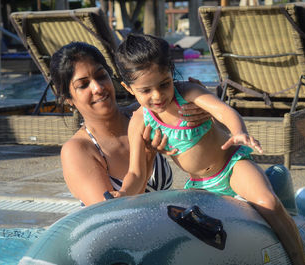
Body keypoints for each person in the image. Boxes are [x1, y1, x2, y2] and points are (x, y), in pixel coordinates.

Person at [112, 34, 305, 265]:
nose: (157, 96)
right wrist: (123, 196)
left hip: (231, 166)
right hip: (200, 185)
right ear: (128, 88)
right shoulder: (139, 121)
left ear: (172, 73)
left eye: (164, 84)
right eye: (146, 90)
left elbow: (224, 112)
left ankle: (300, 260)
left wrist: (238, 132)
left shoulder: (188, 93)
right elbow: (135, 173)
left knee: (269, 203)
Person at [49, 41, 209, 206]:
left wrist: (197, 102)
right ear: (68, 99)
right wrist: (147, 157)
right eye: (83, 85)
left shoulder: (145, 115)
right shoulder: (78, 150)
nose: (97, 88)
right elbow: (112, 216)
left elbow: (164, 84)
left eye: (101, 76)